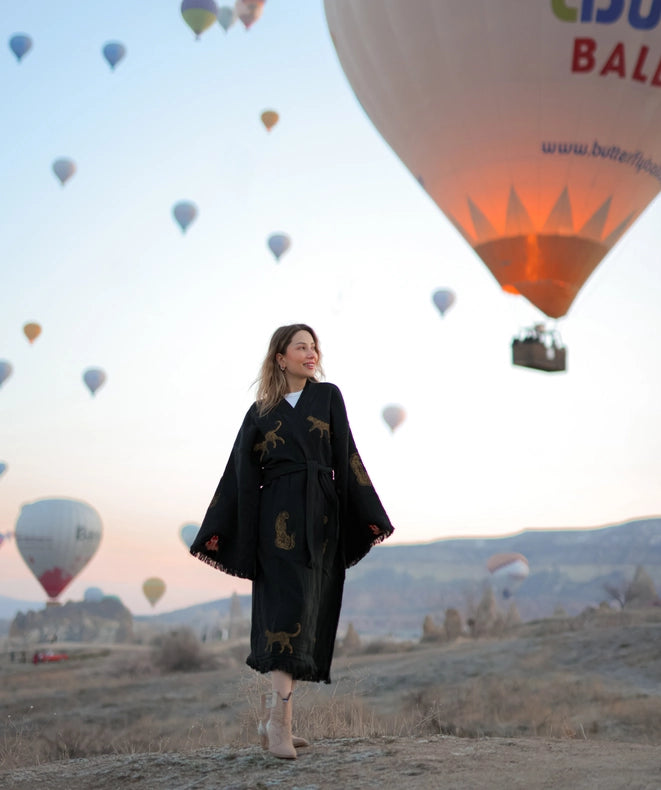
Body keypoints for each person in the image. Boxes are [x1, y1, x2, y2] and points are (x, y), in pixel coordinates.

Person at [190, 323, 394, 759]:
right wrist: (231, 533)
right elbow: (239, 476)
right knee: (285, 611)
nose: (311, 352)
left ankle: (272, 719)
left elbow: (347, 457)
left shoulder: (329, 397)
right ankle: (280, 725)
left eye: (314, 346)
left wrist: (365, 515)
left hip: (321, 519)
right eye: (301, 346)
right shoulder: (260, 413)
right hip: (276, 521)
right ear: (281, 358)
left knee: (306, 612)